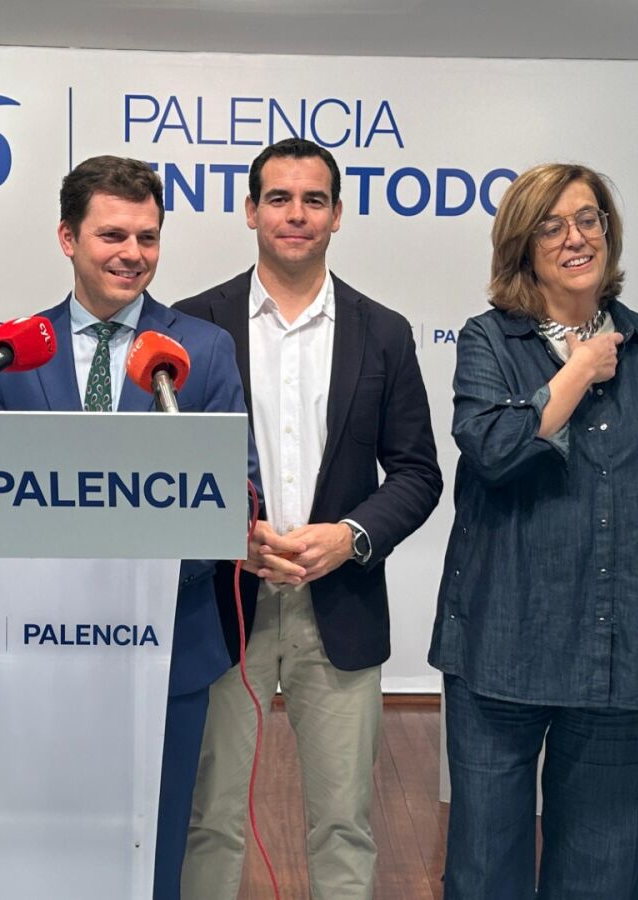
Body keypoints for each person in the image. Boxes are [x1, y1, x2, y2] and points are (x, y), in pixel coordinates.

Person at [0, 155, 254, 900]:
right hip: (39, 643)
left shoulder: (202, 349)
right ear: (68, 238)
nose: (133, 253)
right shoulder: (12, 352)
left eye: (147, 237)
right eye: (112, 235)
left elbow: (237, 486)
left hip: (169, 638)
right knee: (53, 842)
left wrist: (147, 573)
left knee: (154, 845)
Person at [176, 138, 442, 900]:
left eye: (314, 200)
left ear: (337, 215)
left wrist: (350, 537)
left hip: (340, 604)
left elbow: (418, 472)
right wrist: (229, 534)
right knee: (210, 818)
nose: (297, 214)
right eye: (280, 199)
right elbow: (167, 471)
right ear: (250, 210)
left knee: (345, 823)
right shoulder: (192, 325)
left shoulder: (382, 331)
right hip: (224, 602)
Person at [428, 163, 638, 899]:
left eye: (587, 219)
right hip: (501, 644)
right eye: (551, 225)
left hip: (624, 652)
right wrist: (578, 370)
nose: (575, 238)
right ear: (523, 244)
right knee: (486, 871)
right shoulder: (488, 340)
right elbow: (494, 450)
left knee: (604, 873)